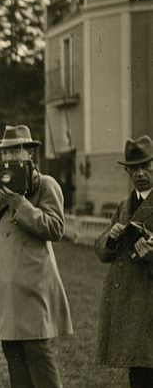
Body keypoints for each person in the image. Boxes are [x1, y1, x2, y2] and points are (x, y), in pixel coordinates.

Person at [0, 125, 73, 388]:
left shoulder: (45, 185)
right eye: (5, 152)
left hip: (31, 283)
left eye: (16, 150)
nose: (9, 157)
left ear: (29, 153)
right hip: (3, 284)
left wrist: (21, 205)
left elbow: (55, 228)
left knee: (38, 352)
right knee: (12, 352)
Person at [94, 135, 153, 388]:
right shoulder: (123, 206)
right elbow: (101, 251)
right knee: (138, 373)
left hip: (149, 303)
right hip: (130, 305)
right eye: (134, 168)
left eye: (146, 166)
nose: (140, 173)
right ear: (127, 171)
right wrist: (111, 237)